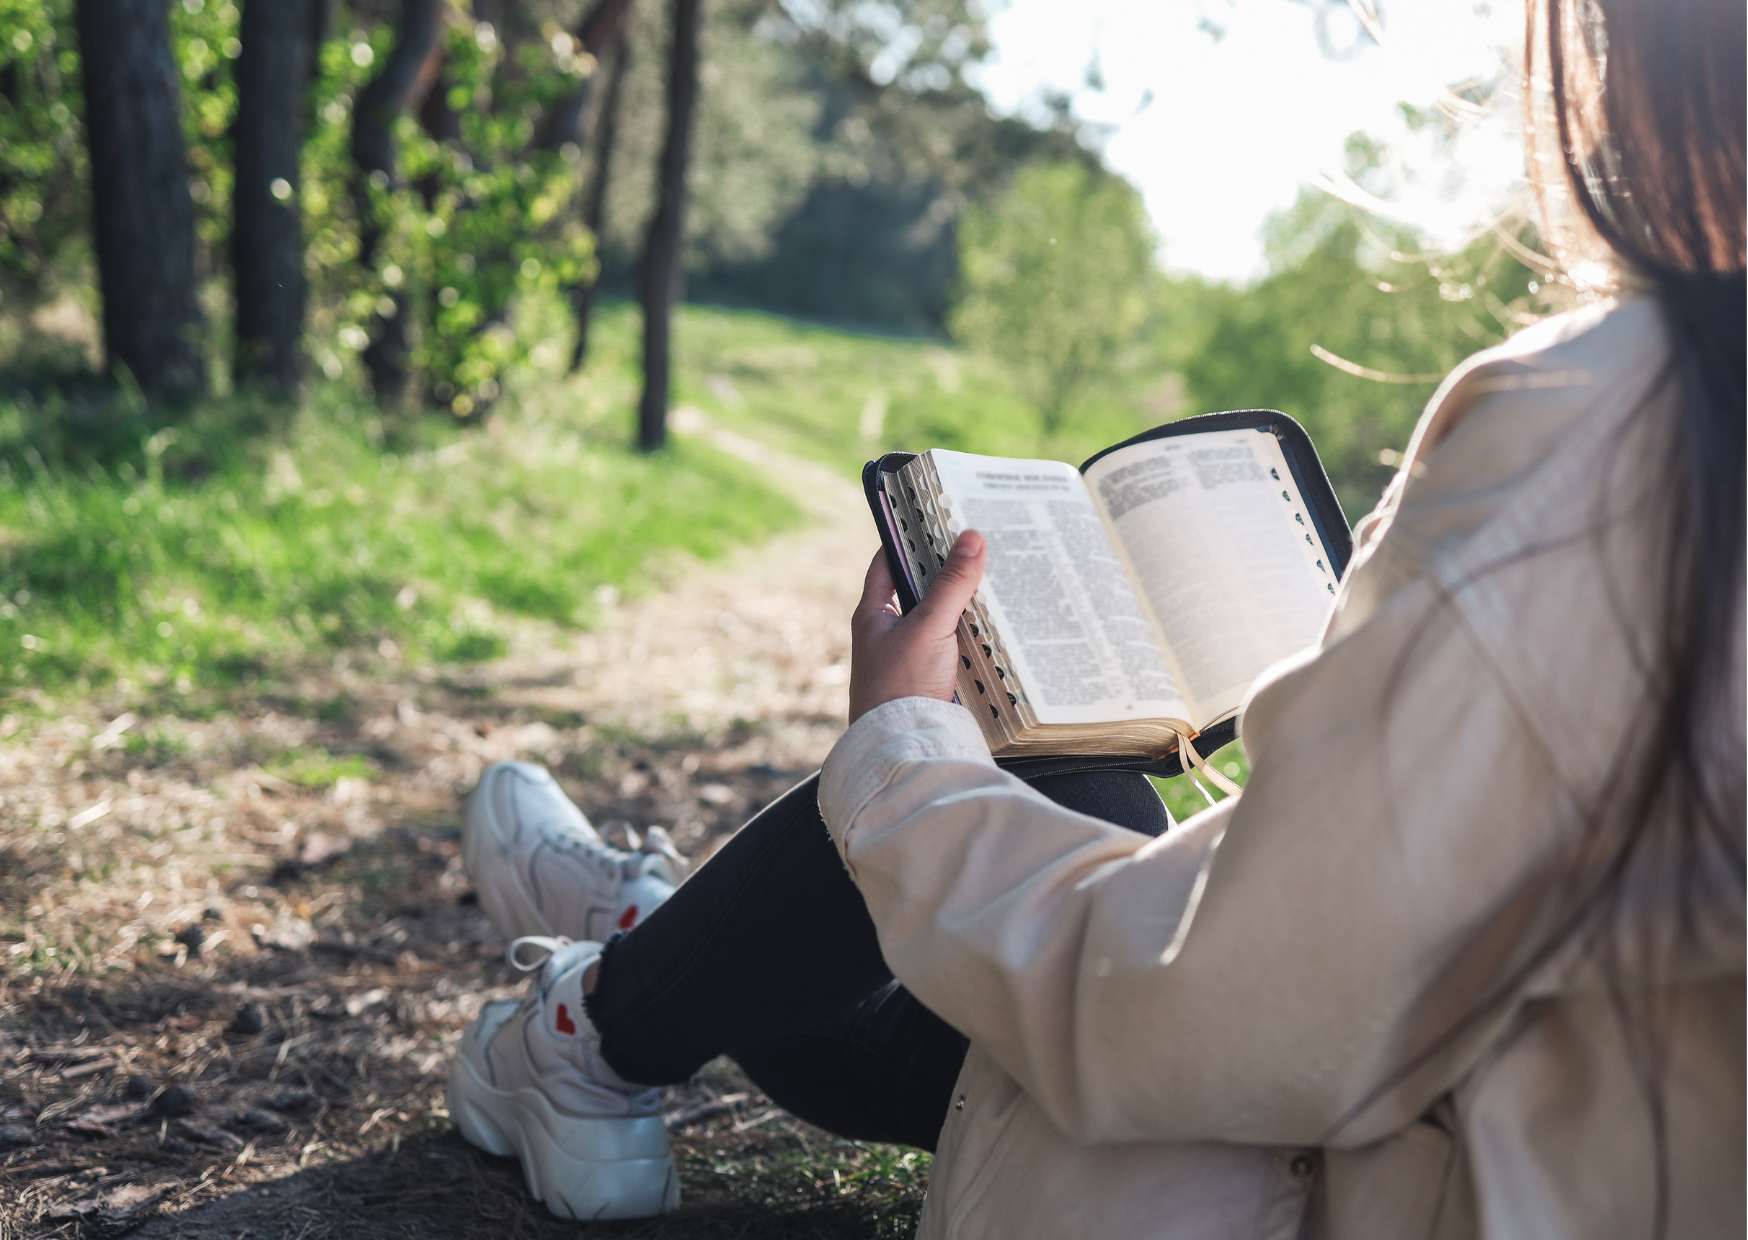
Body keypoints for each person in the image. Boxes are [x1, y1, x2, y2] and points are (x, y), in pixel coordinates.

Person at [444, 0, 1745, 1233]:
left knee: (1017, 810)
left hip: (1334, 1156)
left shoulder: (1616, 434)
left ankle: (601, 1009)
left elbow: (1231, 1016)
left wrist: (899, 748)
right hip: (1466, 1115)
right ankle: (647, 937)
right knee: (1078, 813)